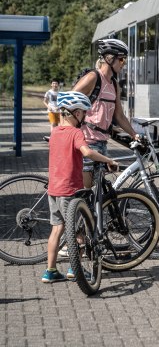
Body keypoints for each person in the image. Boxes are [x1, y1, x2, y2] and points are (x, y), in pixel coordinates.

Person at [42, 91, 118, 283]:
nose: (84, 116)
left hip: (53, 189)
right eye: (83, 113)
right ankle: (75, 269)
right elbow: (87, 152)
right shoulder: (76, 133)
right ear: (75, 113)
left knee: (57, 229)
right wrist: (108, 159)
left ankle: (50, 271)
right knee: (78, 231)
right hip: (70, 190)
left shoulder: (55, 133)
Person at [73, 39, 140, 188]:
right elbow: (68, 101)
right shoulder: (93, 78)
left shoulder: (114, 85)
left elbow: (119, 116)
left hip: (102, 143)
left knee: (96, 194)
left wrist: (134, 135)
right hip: (87, 142)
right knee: (85, 192)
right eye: (121, 59)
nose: (124, 63)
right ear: (109, 58)